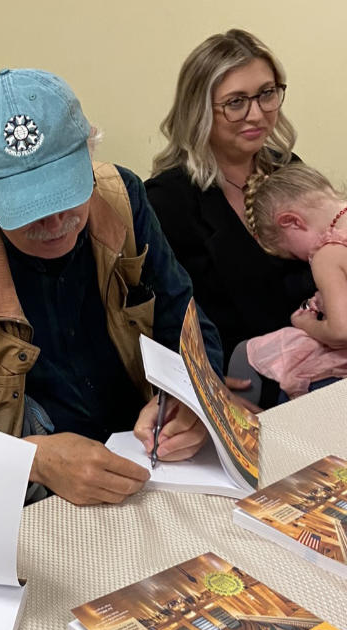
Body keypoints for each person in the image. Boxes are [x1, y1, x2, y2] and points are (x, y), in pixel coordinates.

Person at [0, 68, 223, 507]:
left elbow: (185, 320)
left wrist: (192, 400)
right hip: (28, 501)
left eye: (65, 194)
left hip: (149, 464)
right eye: (27, 208)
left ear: (90, 154)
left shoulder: (121, 195)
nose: (53, 223)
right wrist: (34, 459)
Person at [146, 29, 315, 401]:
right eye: (236, 102)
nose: (256, 114)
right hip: (238, 394)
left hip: (315, 374)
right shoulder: (168, 200)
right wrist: (203, 388)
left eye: (267, 94)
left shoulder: (289, 171)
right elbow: (161, 320)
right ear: (199, 109)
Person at [239, 164, 347, 399]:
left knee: (282, 369)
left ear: (291, 221)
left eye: (293, 254)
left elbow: (341, 332)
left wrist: (306, 323)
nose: (302, 259)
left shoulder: (327, 254)